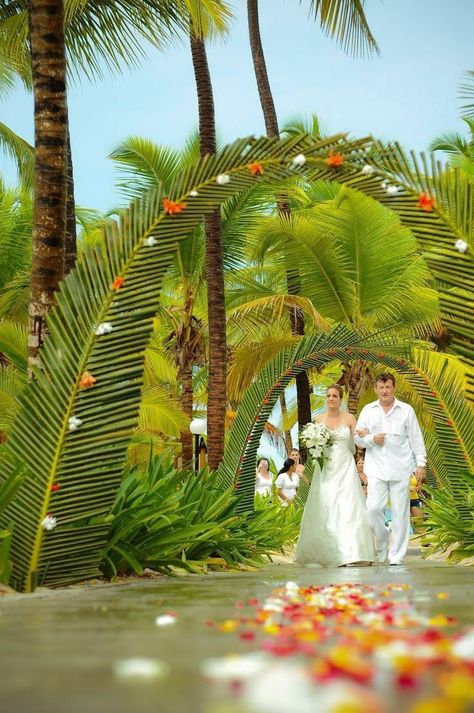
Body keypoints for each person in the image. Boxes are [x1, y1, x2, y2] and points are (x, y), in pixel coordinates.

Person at [295, 384, 375, 567]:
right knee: (325, 504)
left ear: (341, 399)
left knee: (348, 505)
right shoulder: (317, 420)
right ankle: (327, 551)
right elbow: (312, 445)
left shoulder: (349, 418)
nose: (331, 399)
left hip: (345, 466)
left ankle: (353, 552)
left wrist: (366, 435)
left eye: (335, 396)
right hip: (325, 469)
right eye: (328, 396)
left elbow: (359, 443)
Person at [355, 373, 426, 566]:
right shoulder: (368, 410)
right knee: (372, 509)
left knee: (400, 513)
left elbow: (416, 438)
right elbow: (357, 438)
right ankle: (382, 540)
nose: (384, 390)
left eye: (387, 387)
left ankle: (396, 556)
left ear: (394, 388)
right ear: (376, 389)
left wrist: (421, 464)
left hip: (401, 469)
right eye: (381, 387)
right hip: (376, 469)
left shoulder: (406, 410)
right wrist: (371, 439)